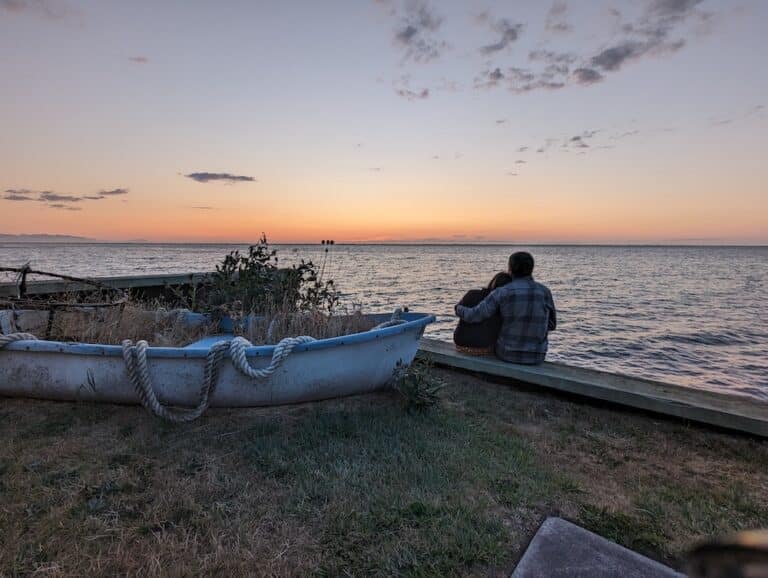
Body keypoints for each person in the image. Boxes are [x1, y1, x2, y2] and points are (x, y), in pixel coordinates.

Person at [454, 252, 556, 364]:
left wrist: (458, 309)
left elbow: (474, 316)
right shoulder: (545, 292)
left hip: (507, 354)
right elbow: (551, 325)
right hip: (538, 356)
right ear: (531, 269)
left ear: (510, 269)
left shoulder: (502, 292)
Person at [453, 272, 513, 355]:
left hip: (460, 344)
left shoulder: (471, 293)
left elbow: (458, 309)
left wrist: (458, 308)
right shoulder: (501, 304)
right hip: (484, 348)